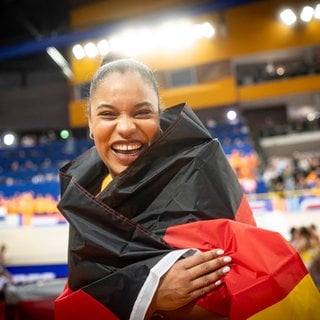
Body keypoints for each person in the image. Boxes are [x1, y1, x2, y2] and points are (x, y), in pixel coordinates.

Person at [55, 57, 319, 319]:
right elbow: (81, 295)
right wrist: (150, 296)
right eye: (108, 114)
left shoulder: (201, 174)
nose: (125, 127)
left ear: (159, 116)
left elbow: (243, 273)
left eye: (142, 112)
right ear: (90, 121)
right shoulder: (84, 199)